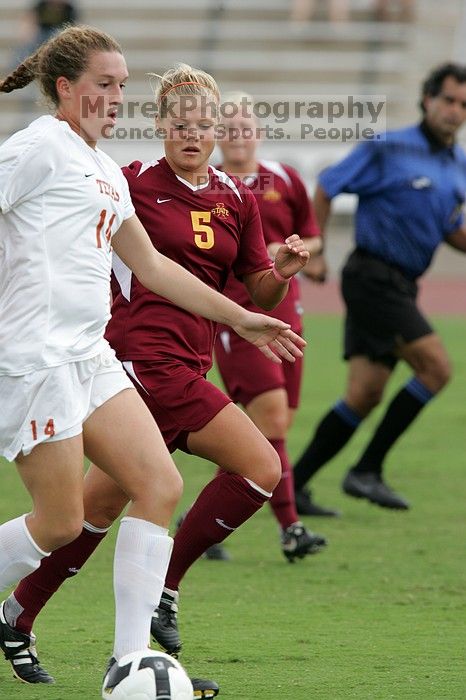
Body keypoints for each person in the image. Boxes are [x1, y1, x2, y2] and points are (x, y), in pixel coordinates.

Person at [0, 28, 306, 695]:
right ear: (65, 89)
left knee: (159, 486)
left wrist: (244, 316)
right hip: (38, 360)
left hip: (92, 357)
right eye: (104, 85)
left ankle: (129, 662)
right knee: (58, 522)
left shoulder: (106, 171)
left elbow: (151, 265)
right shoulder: (36, 151)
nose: (116, 98)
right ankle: (28, 613)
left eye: (121, 87)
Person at [293, 62, 466, 515]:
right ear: (427, 99)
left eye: (464, 105)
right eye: (448, 99)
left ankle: (295, 487)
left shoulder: (458, 164)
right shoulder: (389, 148)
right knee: (436, 369)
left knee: (365, 393)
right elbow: (328, 187)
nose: (455, 111)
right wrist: (319, 249)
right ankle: (366, 470)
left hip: (403, 285)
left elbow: (451, 229)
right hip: (372, 276)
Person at [211, 92, 337, 563]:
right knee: (273, 420)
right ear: (217, 136)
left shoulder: (283, 179)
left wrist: (293, 248)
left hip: (287, 312)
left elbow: (314, 234)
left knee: (267, 427)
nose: (237, 136)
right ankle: (291, 527)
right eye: (228, 128)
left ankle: (204, 522)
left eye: (245, 127)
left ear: (258, 133)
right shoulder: (210, 186)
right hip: (239, 317)